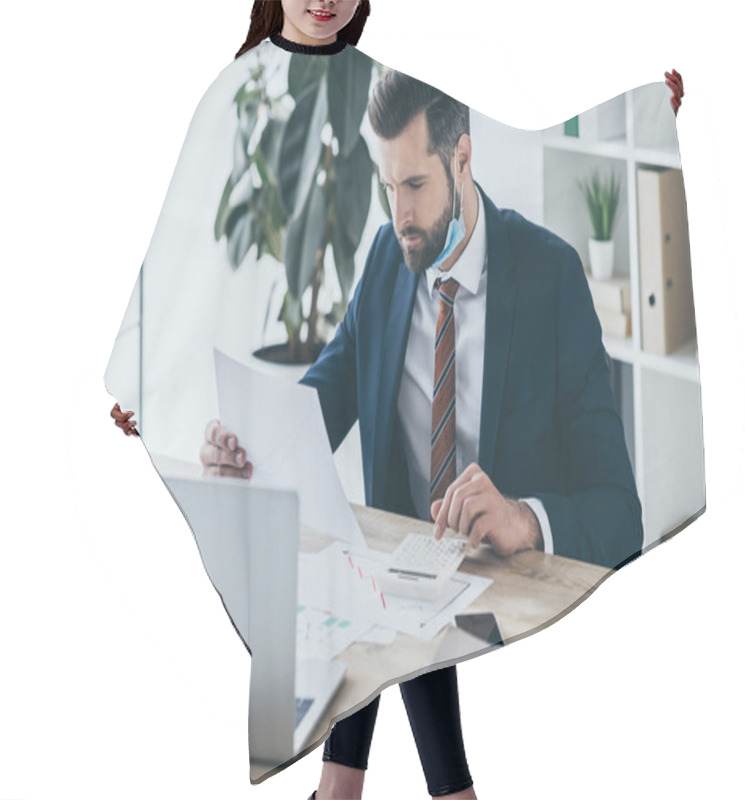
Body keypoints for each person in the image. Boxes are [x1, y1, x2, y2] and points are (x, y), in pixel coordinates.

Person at [109, 3, 686, 798]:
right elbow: (328, 395)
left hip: (492, 581)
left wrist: (526, 516)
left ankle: (358, 788)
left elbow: (621, 509)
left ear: (463, 156)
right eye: (386, 188)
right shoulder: (389, 252)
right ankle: (370, 787)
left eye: (414, 184)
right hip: (400, 578)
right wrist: (246, 439)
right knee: (368, 591)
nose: (400, 216)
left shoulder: (549, 278)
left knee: (383, 605)